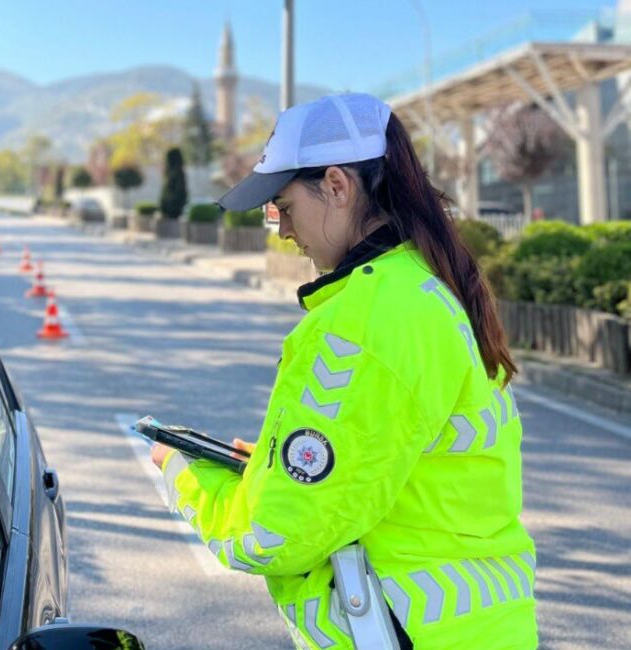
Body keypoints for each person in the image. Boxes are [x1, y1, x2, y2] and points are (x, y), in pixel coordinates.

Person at [150, 93, 537, 649]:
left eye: (282, 206)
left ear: (337, 186)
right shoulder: (424, 285)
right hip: (480, 627)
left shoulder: (365, 323)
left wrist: (180, 475)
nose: (280, 229)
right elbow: (388, 468)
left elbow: (273, 535)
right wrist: (267, 470)